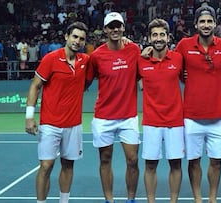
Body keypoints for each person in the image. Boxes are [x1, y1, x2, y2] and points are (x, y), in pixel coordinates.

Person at [24, 21, 89, 203]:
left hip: (73, 125)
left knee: (68, 165)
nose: (77, 41)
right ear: (67, 37)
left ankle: (64, 201)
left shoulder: (86, 61)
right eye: (75, 36)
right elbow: (35, 86)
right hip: (50, 124)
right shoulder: (51, 59)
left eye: (81, 39)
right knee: (46, 166)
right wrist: (30, 117)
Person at [174, 5, 221, 203]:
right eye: (202, 21)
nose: (206, 25)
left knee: (216, 162)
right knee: (194, 161)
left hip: (218, 116)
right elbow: (173, 66)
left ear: (215, 24)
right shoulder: (183, 45)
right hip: (191, 116)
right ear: (196, 24)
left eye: (209, 21)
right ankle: (198, 199)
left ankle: (212, 199)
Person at [85, 12, 140, 203]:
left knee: (133, 160)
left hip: (128, 116)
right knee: (105, 159)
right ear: (105, 30)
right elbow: (84, 83)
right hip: (104, 117)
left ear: (123, 28)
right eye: (111, 26)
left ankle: (130, 199)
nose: (115, 29)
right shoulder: (97, 56)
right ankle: (109, 200)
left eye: (118, 26)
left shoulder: (134, 50)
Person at [138, 18, 184, 203]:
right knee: (150, 165)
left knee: (175, 164)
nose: (159, 38)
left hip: (175, 121)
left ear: (168, 37)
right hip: (151, 122)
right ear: (149, 38)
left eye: (162, 34)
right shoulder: (140, 61)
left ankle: (173, 201)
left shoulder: (179, 59)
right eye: (155, 34)